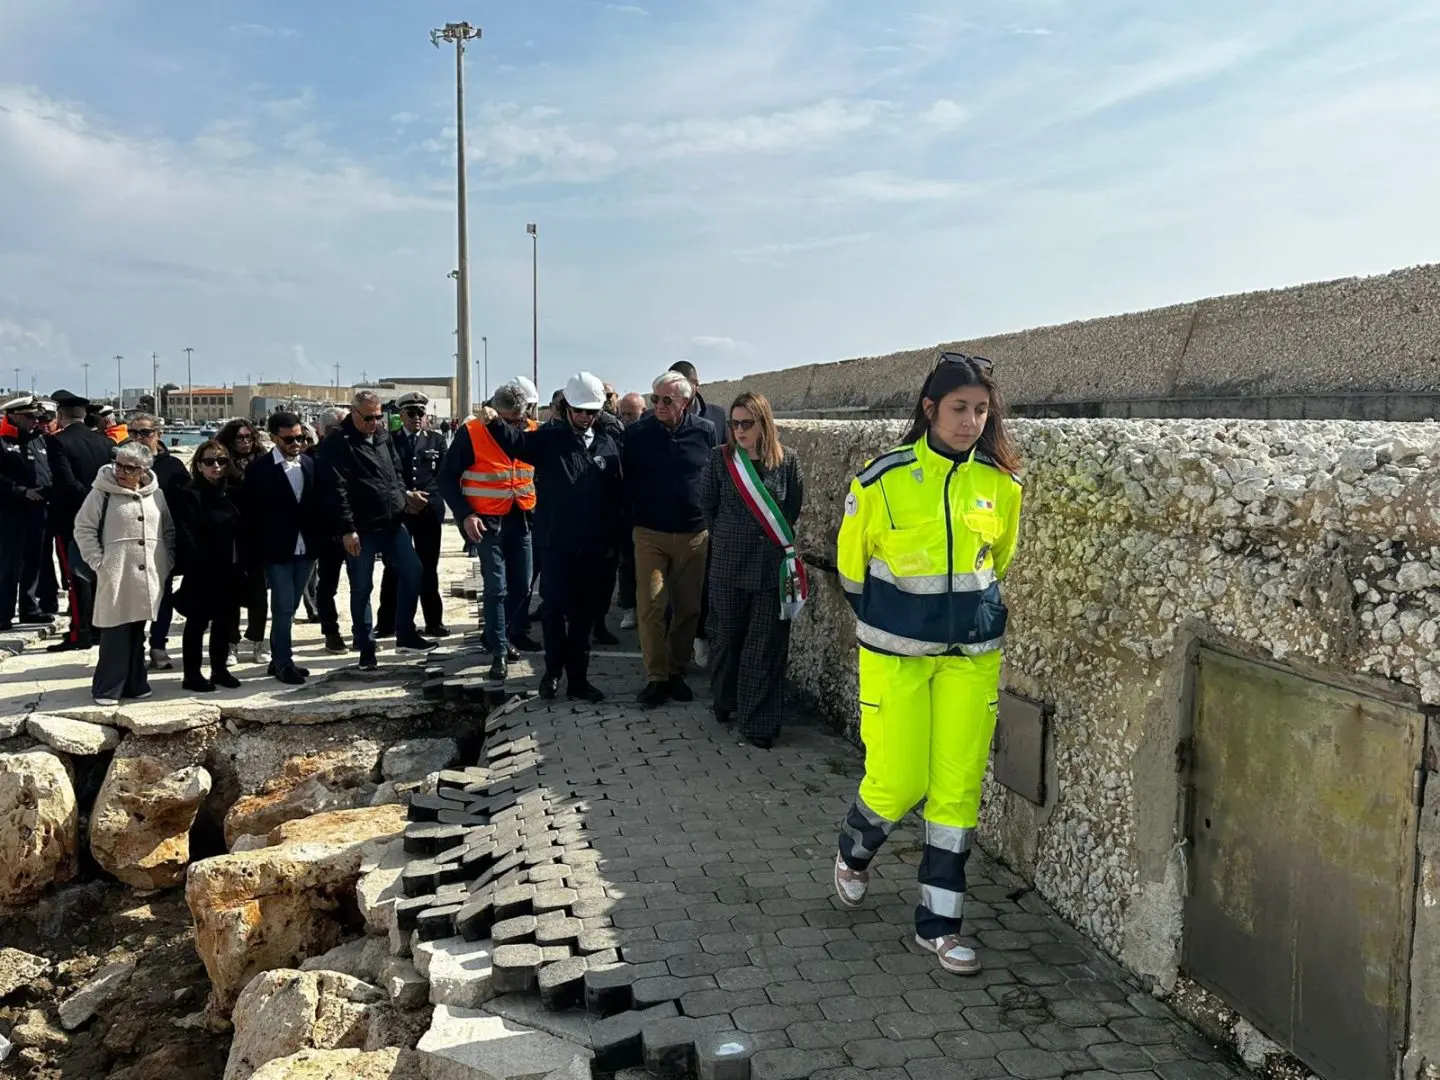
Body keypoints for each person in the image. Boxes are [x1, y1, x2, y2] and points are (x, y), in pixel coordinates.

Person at [832, 353, 1023, 977]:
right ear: (930, 409)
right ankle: (854, 849)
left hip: (971, 656)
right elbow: (851, 571)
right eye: (959, 408)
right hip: (896, 659)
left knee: (957, 787)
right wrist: (900, 622)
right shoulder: (880, 481)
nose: (971, 421)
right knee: (898, 780)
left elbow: (998, 559)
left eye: (981, 410)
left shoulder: (1001, 484)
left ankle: (940, 924)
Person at [479, 372, 620, 702]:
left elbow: (616, 495)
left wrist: (612, 539)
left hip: (593, 548)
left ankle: (578, 680)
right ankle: (552, 673)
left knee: (583, 616)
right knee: (554, 610)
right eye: (579, 410)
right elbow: (516, 443)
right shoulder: (549, 438)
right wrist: (495, 421)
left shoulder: (607, 444)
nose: (584, 417)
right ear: (567, 408)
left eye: (591, 412)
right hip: (556, 545)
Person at [699, 392, 805, 749]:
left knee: (766, 645)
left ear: (764, 423)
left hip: (770, 568)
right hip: (729, 566)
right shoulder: (720, 459)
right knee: (727, 639)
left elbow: (791, 508)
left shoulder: (788, 461)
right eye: (734, 424)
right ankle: (726, 699)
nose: (739, 430)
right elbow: (708, 507)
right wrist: (730, 539)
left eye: (747, 423)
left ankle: (758, 723)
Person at [315, 390, 437, 670]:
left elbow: (394, 472)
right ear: (354, 413)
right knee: (361, 587)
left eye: (378, 416)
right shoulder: (338, 442)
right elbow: (336, 489)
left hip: (392, 521)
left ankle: (405, 633)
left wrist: (404, 497)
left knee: (413, 571)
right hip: (361, 527)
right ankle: (366, 646)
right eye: (368, 418)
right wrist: (348, 529)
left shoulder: (382, 435)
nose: (374, 422)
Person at [622, 370, 717, 707]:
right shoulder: (636, 434)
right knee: (651, 605)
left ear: (685, 403)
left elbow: (713, 476)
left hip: (694, 533)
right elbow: (626, 482)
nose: (659, 405)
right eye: (655, 399)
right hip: (650, 533)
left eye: (667, 400)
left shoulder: (705, 431)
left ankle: (676, 670)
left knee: (688, 609)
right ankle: (657, 676)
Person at [440, 382, 538, 680]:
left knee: (522, 585)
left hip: (521, 518)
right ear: (494, 412)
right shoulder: (471, 432)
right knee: (497, 588)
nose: (513, 426)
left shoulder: (534, 431)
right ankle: (499, 651)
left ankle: (498, 634)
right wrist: (465, 515)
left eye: (518, 421)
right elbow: (447, 478)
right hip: (486, 521)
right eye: (508, 421)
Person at [73, 441, 176, 705]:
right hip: (115, 572)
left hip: (148, 573)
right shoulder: (101, 493)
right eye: (118, 465)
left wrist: (166, 561)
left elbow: (167, 530)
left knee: (137, 629)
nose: (120, 471)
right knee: (114, 630)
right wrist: (98, 562)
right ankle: (107, 688)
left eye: (129, 468)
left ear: (143, 470)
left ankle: (135, 682)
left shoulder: (156, 494)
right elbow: (83, 528)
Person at [244, 411, 321, 684]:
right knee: (283, 606)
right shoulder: (259, 469)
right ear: (274, 438)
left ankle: (279, 657)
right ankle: (284, 662)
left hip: (307, 548)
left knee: (292, 605)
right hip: (276, 550)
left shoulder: (309, 464)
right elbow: (251, 515)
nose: (296, 444)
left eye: (300, 438)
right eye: (289, 439)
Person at [169, 440, 244, 692]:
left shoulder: (231, 492)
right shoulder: (189, 494)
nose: (216, 466)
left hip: (230, 568)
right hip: (201, 570)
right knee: (197, 623)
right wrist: (197, 564)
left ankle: (219, 670)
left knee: (225, 622)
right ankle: (191, 674)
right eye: (209, 461)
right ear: (199, 465)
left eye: (221, 461)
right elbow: (185, 533)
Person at [44, 390, 115, 651]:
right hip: (104, 516)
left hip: (71, 517)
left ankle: (79, 632)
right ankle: (98, 627)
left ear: (61, 414)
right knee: (100, 574)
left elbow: (66, 481)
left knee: (76, 577)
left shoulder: (58, 442)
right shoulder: (105, 443)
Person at [378, 392, 449, 639]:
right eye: (411, 413)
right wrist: (406, 496)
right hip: (401, 511)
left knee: (428, 567)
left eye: (420, 412)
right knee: (394, 567)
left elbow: (443, 475)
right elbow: (386, 474)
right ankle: (387, 622)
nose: (416, 417)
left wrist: (423, 498)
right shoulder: (389, 441)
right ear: (401, 415)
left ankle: (434, 621)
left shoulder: (436, 440)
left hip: (428, 510)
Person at [125, 414, 187, 670]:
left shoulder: (173, 466)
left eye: (145, 433)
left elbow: (185, 506)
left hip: (162, 540)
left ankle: (158, 644)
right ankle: (133, 648)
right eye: (133, 433)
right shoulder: (119, 465)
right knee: (132, 597)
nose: (139, 438)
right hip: (130, 541)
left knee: (163, 595)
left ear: (158, 434)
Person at [0, 395, 55, 631]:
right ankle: (3, 612)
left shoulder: (39, 440)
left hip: (39, 509)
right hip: (11, 511)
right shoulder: (3, 441)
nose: (35, 421)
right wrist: (21, 491)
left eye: (37, 417)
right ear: (14, 416)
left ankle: (30, 607)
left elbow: (47, 470)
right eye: (30, 417)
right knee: (9, 563)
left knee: (35, 559)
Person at [216, 418, 268, 665]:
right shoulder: (221, 464)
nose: (245, 442)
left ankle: (258, 642)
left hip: (258, 534)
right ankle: (231, 643)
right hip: (230, 536)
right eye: (240, 438)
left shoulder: (263, 461)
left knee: (259, 593)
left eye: (249, 437)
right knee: (230, 594)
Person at [306, 408, 348, 652]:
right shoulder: (311, 457)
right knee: (327, 585)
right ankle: (331, 631)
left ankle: (362, 633)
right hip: (327, 531)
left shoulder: (354, 451)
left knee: (361, 584)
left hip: (355, 527)